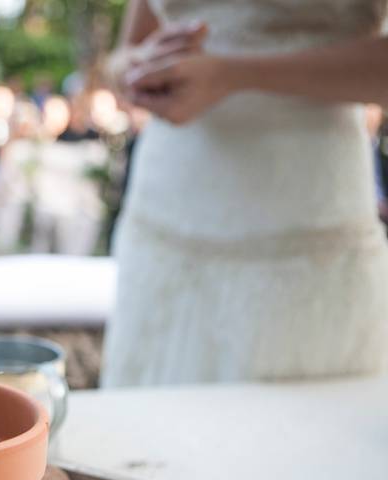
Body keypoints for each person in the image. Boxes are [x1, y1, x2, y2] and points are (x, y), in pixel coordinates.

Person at [101, 0, 388, 387]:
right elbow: (124, 51)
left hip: (306, 216)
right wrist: (137, 67)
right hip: (165, 210)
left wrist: (235, 75)